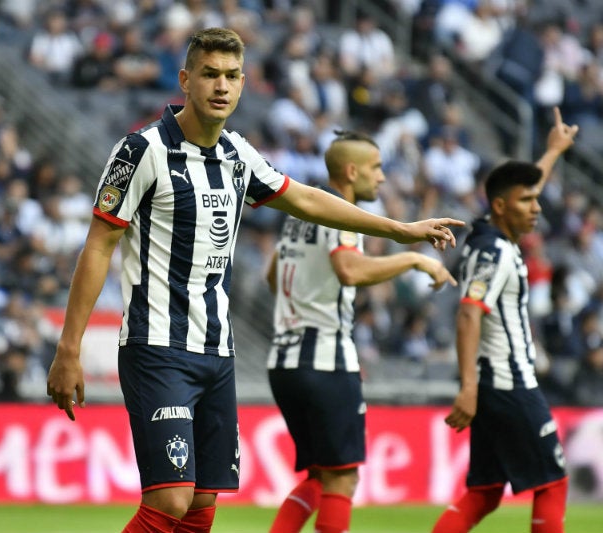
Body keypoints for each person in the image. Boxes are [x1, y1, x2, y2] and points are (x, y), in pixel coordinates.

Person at [46, 28, 462, 533]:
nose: (221, 86)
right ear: (185, 80)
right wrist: (69, 348)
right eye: (209, 75)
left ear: (243, 83)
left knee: (202, 504)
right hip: (157, 345)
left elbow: (306, 198)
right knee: (170, 501)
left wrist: (398, 230)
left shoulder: (237, 154)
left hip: (217, 352)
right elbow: (98, 246)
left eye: (231, 76)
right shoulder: (141, 151)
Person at [265, 130, 457, 533]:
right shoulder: (338, 211)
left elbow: (272, 274)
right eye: (376, 168)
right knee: (342, 478)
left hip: (284, 360)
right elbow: (349, 270)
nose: (383, 178)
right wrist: (411, 259)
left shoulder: (299, 216)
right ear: (352, 172)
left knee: (319, 477)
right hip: (324, 360)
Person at [432, 107, 578, 533]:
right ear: (500, 206)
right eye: (527, 202)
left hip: (495, 384)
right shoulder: (494, 252)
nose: (536, 208)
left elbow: (524, 187)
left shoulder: (495, 236)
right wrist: (468, 388)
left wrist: (552, 152)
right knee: (553, 482)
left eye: (536, 199)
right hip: (507, 383)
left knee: (485, 491)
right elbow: (468, 315)